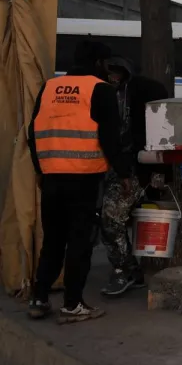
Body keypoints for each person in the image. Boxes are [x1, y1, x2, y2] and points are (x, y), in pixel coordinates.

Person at [27, 40, 129, 323]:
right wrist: (124, 174)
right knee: (79, 242)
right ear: (98, 63)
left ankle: (39, 298)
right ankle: (72, 305)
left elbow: (32, 133)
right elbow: (110, 139)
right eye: (107, 64)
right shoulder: (101, 90)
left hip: (51, 178)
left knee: (53, 240)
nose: (109, 69)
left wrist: (39, 169)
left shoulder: (49, 87)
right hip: (84, 178)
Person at [98, 56, 170, 297]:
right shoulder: (102, 91)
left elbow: (161, 132)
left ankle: (125, 270)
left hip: (134, 167)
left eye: (117, 72)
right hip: (109, 165)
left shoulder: (144, 90)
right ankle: (128, 269)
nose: (113, 77)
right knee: (107, 219)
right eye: (110, 72)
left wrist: (158, 172)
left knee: (111, 218)